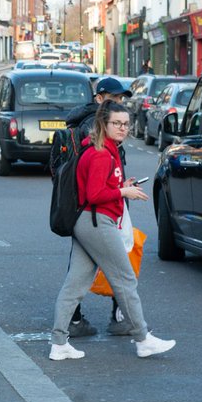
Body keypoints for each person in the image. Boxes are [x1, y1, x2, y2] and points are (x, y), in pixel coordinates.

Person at [49, 100, 175, 361]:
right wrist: (123, 191)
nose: (122, 128)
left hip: (87, 221)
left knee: (75, 285)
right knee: (125, 280)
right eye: (116, 123)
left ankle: (59, 344)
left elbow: (98, 186)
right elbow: (95, 195)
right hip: (96, 221)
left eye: (126, 124)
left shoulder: (106, 150)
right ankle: (142, 339)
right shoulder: (100, 154)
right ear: (103, 124)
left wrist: (121, 184)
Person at [58, 77, 134, 338]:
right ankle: (127, 321)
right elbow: (95, 184)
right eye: (114, 99)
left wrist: (122, 183)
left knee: (82, 271)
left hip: (92, 209)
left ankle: (72, 324)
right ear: (99, 99)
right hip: (96, 211)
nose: (119, 104)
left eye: (121, 99)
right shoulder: (95, 125)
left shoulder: (94, 121)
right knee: (119, 264)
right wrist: (122, 190)